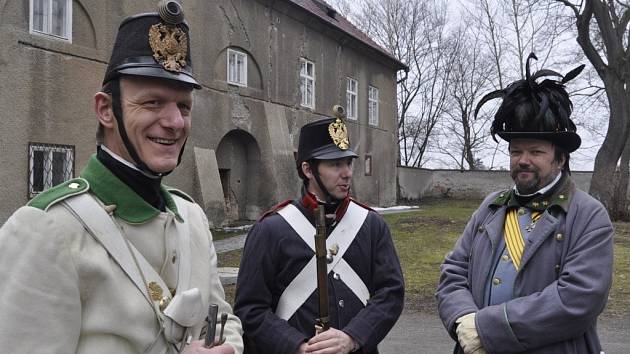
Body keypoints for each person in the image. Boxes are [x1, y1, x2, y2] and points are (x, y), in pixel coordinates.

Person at [0, 2, 243, 353]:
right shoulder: (45, 228)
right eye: (153, 103)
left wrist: (228, 348)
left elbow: (221, 318)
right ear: (105, 110)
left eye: (183, 106)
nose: (174, 122)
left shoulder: (191, 218)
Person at [436, 53, 614, 354]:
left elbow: (578, 298)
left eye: (535, 151)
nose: (523, 161)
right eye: (516, 151)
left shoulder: (589, 215)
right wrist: (463, 321)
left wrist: (486, 329)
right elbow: (453, 271)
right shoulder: (491, 207)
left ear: (560, 157)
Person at [233, 112, 404, 354]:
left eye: (348, 162)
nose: (346, 173)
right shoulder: (271, 230)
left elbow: (391, 294)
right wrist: (298, 346)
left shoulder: (371, 225)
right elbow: (250, 310)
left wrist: (352, 337)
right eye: (335, 164)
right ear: (308, 169)